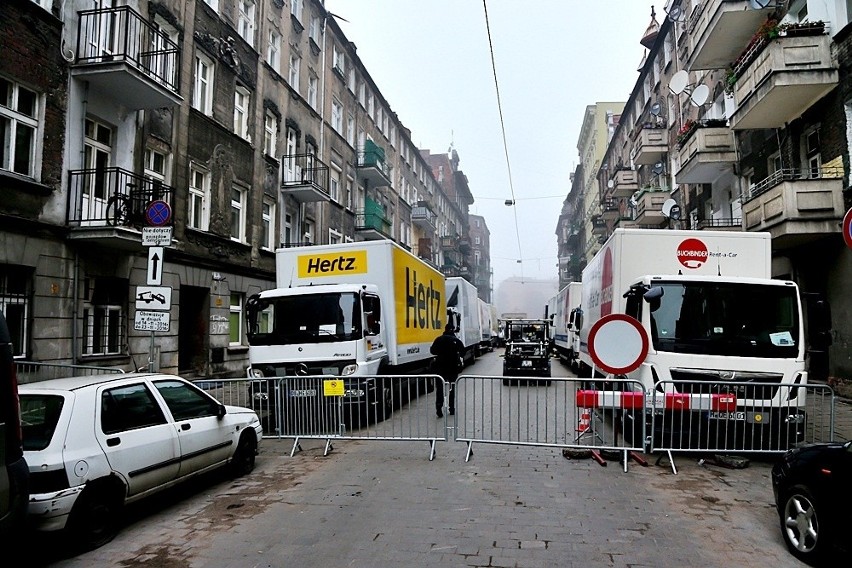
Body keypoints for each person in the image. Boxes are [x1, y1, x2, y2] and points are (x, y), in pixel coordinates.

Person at [430, 323, 465, 417]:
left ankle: (439, 408)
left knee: (440, 389)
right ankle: (451, 408)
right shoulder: (456, 340)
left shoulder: (438, 339)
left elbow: (432, 351)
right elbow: (463, 352)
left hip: (440, 368)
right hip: (453, 368)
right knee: (452, 388)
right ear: (453, 330)